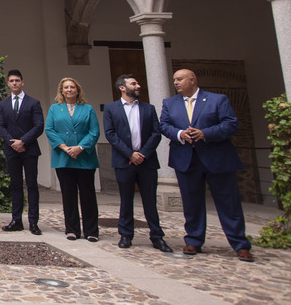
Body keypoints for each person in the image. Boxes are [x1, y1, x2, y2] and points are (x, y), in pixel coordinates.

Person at [159, 68, 253, 261]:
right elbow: (164, 125)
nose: (176, 82)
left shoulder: (217, 100)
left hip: (217, 158)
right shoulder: (170, 103)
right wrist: (179, 134)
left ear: (192, 80)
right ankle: (193, 240)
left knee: (228, 203)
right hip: (186, 159)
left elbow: (230, 124)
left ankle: (240, 244)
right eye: (174, 80)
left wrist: (205, 133)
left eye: (180, 79)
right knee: (191, 203)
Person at [102, 74, 173, 252]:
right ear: (122, 88)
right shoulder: (111, 109)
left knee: (150, 200)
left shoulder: (149, 109)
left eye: (138, 82)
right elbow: (110, 134)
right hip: (124, 161)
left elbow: (156, 133)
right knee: (126, 199)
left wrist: (142, 154)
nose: (138, 86)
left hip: (146, 161)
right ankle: (126, 234)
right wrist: (129, 154)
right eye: (134, 83)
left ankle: (157, 236)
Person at [45, 77, 100, 242]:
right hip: (63, 157)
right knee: (68, 195)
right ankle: (72, 229)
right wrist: (64, 147)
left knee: (88, 195)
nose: (69, 90)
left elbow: (94, 131)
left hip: (84, 157)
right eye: (66, 87)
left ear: (77, 90)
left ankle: (91, 230)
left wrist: (80, 148)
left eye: (72, 87)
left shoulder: (87, 109)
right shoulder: (55, 109)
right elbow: (49, 129)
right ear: (61, 91)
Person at [0, 69, 44, 234]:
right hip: (12, 150)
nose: (14, 83)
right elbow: (0, 126)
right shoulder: (4, 104)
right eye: (11, 81)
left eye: (17, 80)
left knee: (31, 185)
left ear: (22, 82)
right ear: (8, 84)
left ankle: (33, 222)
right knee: (15, 185)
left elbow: (38, 126)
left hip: (29, 149)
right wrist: (12, 143)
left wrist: (23, 141)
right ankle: (16, 220)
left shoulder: (33, 103)